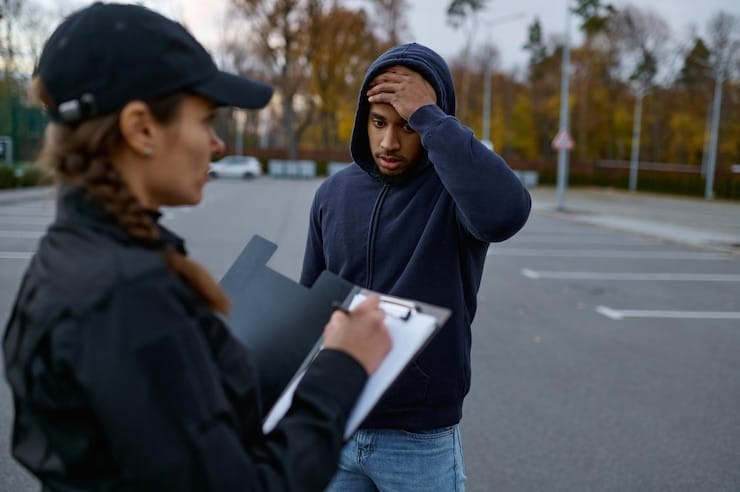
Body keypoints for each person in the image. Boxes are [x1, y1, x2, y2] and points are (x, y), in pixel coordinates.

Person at [2, 3, 392, 491]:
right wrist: (343, 366)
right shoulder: (130, 296)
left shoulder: (71, 258)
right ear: (141, 128)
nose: (217, 143)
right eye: (205, 119)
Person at [300, 42, 532, 490]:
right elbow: (313, 304)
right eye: (379, 123)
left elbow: (507, 213)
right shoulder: (333, 194)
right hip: (336, 425)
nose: (389, 142)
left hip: (418, 439)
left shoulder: (455, 194)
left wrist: (430, 116)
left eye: (407, 126)